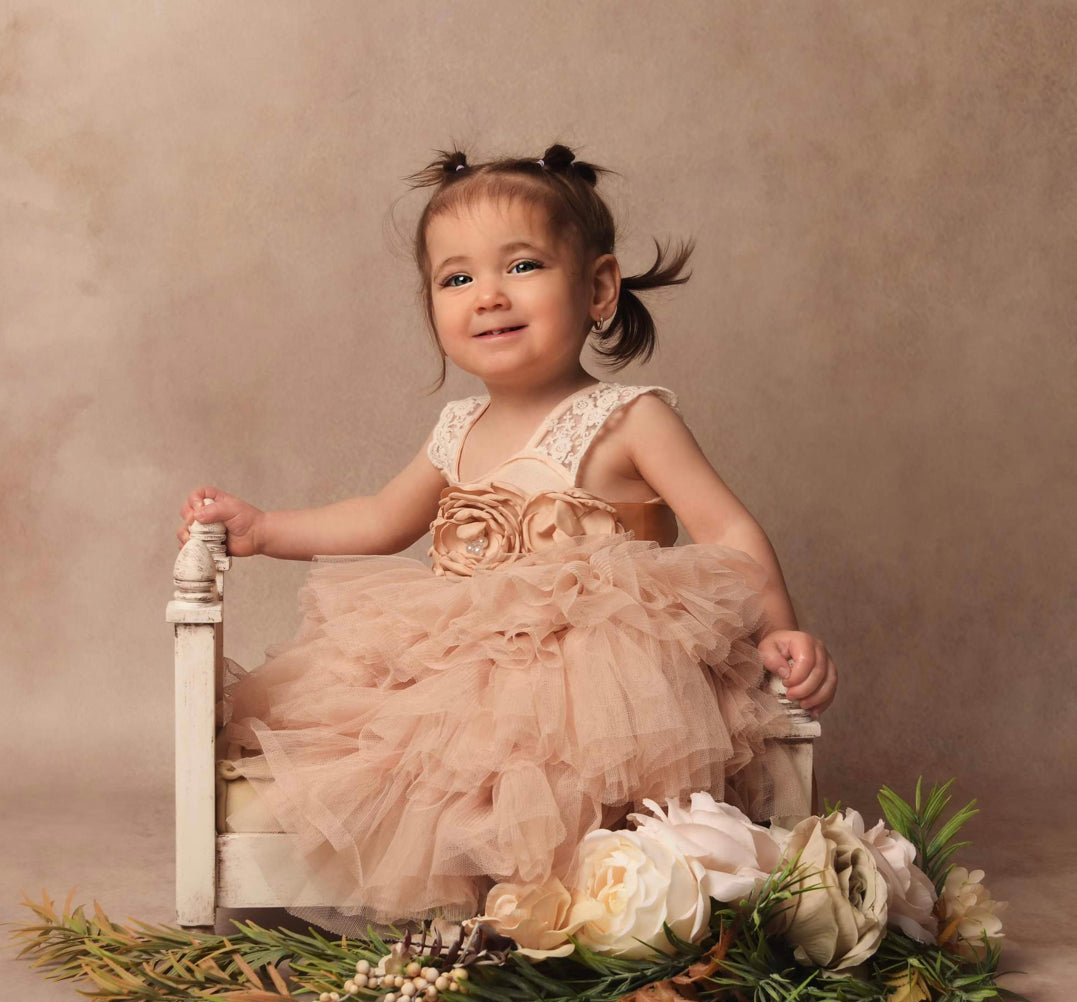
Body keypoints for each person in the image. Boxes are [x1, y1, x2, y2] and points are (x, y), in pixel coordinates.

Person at [176, 143, 837, 939]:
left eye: (520, 267)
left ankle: (578, 914)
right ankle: (471, 918)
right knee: (412, 748)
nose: (487, 296)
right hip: (468, 657)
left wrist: (780, 628)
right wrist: (265, 528)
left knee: (552, 767)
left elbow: (725, 526)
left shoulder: (630, 418)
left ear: (597, 288)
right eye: (456, 279)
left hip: (596, 664)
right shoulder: (458, 426)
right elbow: (382, 518)